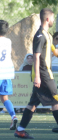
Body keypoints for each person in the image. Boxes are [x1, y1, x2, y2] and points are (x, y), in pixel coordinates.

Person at [14, 8, 58, 139]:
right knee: (55, 100)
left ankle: (20, 130)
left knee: (33, 103)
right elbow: (36, 56)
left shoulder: (48, 35)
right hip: (43, 74)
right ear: (47, 19)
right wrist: (37, 76)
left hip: (44, 74)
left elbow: (55, 52)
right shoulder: (39, 35)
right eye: (53, 18)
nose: (54, 21)